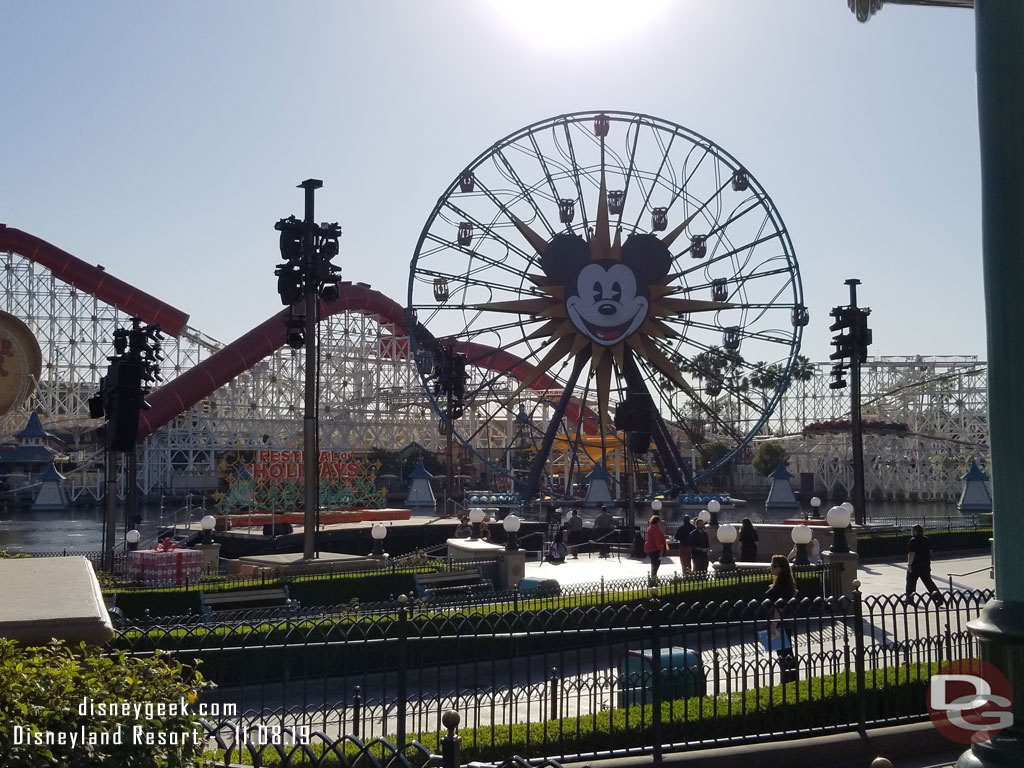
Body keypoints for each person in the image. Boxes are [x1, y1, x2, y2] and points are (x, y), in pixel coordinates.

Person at [765, 554, 799, 684]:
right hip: (784, 622)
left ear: (782, 568)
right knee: (785, 651)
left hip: (779, 623)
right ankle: (790, 679)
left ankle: (788, 680)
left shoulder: (780, 586)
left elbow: (779, 606)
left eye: (774, 566)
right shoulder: (786, 583)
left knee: (783, 653)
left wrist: (774, 623)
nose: (771, 568)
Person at [906, 524, 944, 605]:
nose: (911, 532)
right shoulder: (927, 539)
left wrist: (909, 565)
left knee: (911, 582)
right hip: (925, 564)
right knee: (929, 583)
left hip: (915, 565)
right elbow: (930, 552)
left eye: (912, 530)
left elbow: (911, 553)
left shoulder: (913, 540)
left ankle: (909, 599)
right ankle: (938, 598)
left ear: (916, 531)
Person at [644, 514, 668, 581]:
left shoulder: (651, 527)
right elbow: (657, 539)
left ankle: (653, 576)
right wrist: (660, 549)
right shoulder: (655, 528)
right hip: (654, 548)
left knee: (654, 562)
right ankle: (654, 576)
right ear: (657, 521)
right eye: (659, 521)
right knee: (656, 562)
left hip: (651, 548)